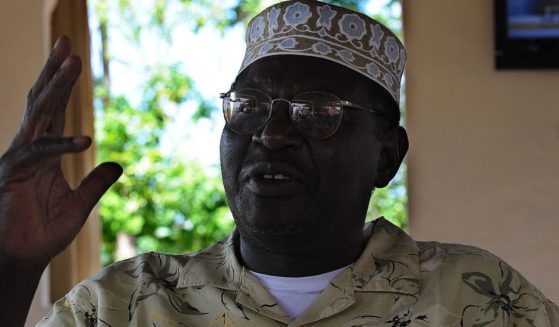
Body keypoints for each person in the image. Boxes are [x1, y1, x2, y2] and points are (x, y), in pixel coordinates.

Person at [0, 1, 557, 326]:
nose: (272, 133)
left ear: (387, 155)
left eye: (318, 113)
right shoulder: (125, 305)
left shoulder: (479, 297)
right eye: (248, 108)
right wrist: (11, 263)